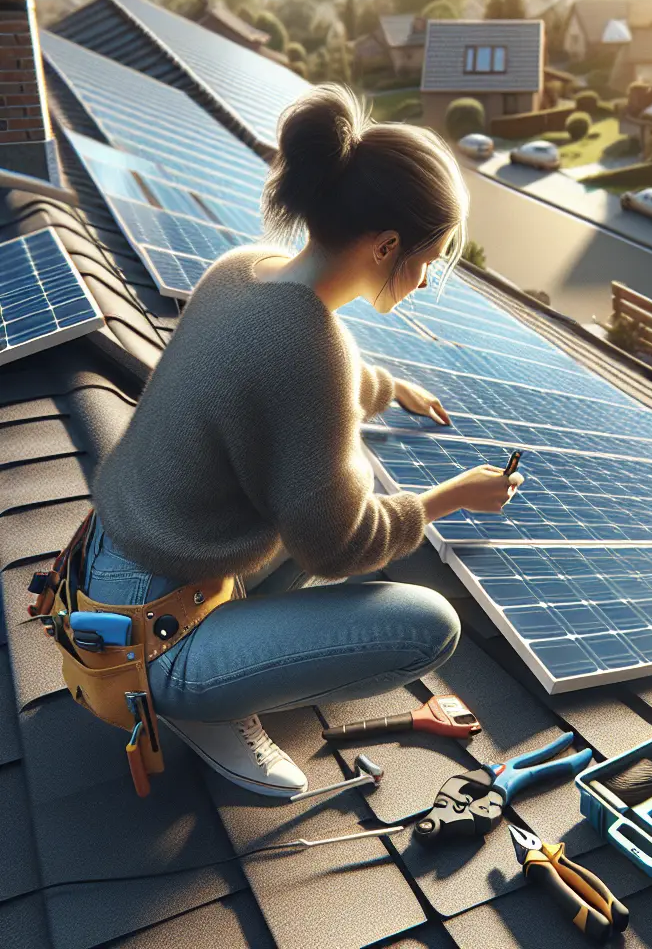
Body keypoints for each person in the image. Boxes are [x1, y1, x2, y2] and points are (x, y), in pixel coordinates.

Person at [82, 84, 524, 797]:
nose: (422, 280)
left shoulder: (244, 269)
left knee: (298, 495)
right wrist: (451, 498)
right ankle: (207, 703)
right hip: (152, 641)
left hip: (113, 564)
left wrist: (384, 387)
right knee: (430, 627)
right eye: (429, 259)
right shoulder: (314, 350)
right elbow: (339, 545)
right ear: (386, 246)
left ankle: (223, 662)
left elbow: (268, 387)